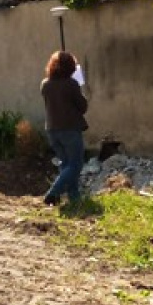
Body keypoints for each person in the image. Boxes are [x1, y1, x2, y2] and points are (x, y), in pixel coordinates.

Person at [40, 50, 88, 206]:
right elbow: (82, 107)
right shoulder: (71, 84)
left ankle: (74, 197)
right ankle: (52, 193)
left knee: (66, 164)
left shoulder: (45, 84)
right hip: (70, 129)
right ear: (71, 67)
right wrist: (78, 86)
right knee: (76, 164)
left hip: (52, 130)